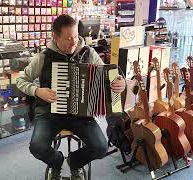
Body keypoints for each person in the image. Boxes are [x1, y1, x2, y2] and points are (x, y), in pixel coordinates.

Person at [16, 15, 126, 180]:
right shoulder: (44, 57)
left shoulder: (89, 53)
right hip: (50, 114)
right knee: (37, 147)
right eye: (68, 38)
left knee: (101, 147)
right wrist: (38, 91)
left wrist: (120, 83)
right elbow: (21, 80)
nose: (73, 42)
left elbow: (109, 76)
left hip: (81, 115)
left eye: (75, 36)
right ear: (55, 36)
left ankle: (74, 162)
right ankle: (57, 161)